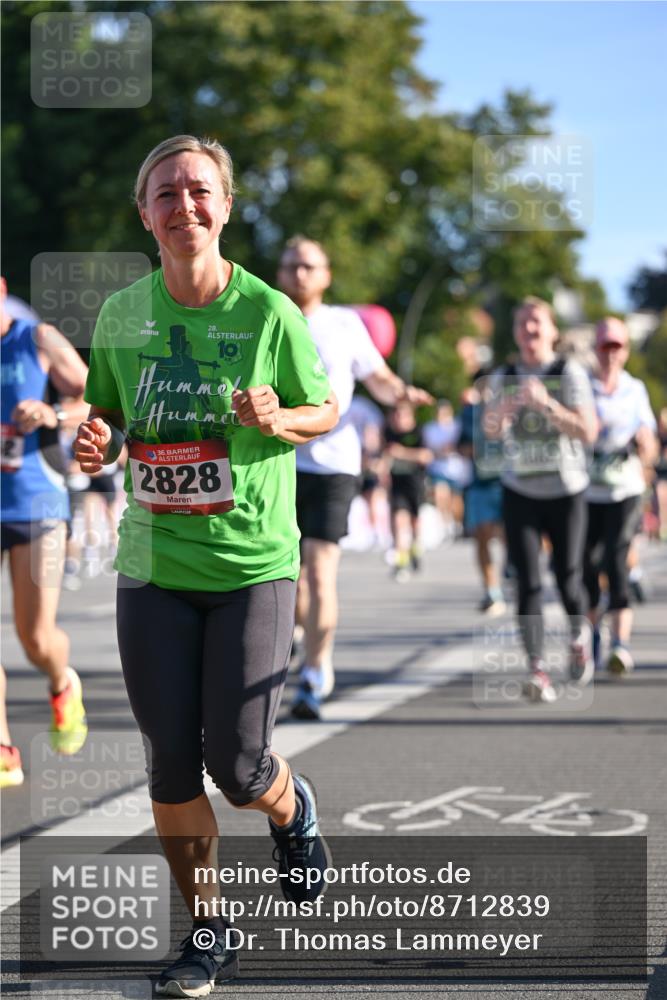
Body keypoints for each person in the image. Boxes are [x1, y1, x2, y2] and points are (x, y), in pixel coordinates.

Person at [73, 136, 339, 997]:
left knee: (239, 768)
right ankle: (208, 929)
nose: (183, 206)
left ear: (224, 207)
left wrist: (279, 415)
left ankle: (292, 810)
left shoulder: (269, 313)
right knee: (168, 764)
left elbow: (325, 406)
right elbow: (110, 417)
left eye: (199, 191)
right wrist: (97, 439)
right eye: (165, 193)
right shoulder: (122, 316)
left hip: (252, 564)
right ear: (143, 213)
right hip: (153, 560)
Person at [277, 236, 432, 720]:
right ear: (281, 274)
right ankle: (300, 639)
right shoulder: (266, 314)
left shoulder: (344, 324)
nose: (299, 274)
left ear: (325, 275)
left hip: (332, 466)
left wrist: (403, 393)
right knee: (288, 581)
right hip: (274, 463)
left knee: (320, 573)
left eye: (308, 266)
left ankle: (315, 674)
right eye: (291, 266)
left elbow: (378, 378)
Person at [484, 297, 598, 703]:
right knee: (527, 580)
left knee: (568, 574)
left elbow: (589, 431)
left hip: (567, 489)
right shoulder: (505, 374)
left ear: (552, 331)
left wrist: (546, 403)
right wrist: (513, 402)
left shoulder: (569, 372)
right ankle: (536, 669)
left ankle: (578, 634)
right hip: (521, 489)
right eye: (522, 324)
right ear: (515, 332)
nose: (529, 330)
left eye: (537, 323)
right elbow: (491, 429)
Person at [1, 280, 89, 779]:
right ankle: (3, 748)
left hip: (36, 504)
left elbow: (97, 395)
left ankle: (61, 681)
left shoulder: (37, 338)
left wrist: (51, 413)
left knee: (34, 637)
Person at [583, 318, 658, 674]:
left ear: (626, 351)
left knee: (615, 560)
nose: (610, 354)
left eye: (617, 347)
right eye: (604, 347)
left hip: (625, 488)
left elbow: (651, 441)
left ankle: (620, 644)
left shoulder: (635, 389)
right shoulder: (581, 385)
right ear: (595, 349)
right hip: (586, 490)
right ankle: (592, 635)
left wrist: (646, 443)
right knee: (587, 565)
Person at [458, 380, 507, 616]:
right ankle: (492, 590)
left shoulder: (511, 409)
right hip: (480, 483)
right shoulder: (470, 414)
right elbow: (462, 446)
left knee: (511, 537)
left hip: (509, 483)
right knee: (482, 535)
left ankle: (515, 574)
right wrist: (476, 447)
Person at [384, 401, 433, 581]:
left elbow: (426, 456)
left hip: (416, 483)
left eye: (401, 416)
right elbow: (384, 456)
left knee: (414, 522)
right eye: (395, 416)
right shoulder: (389, 432)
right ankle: (401, 562)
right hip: (397, 485)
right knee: (398, 521)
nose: (397, 420)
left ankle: (415, 550)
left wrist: (402, 453)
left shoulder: (418, 432)